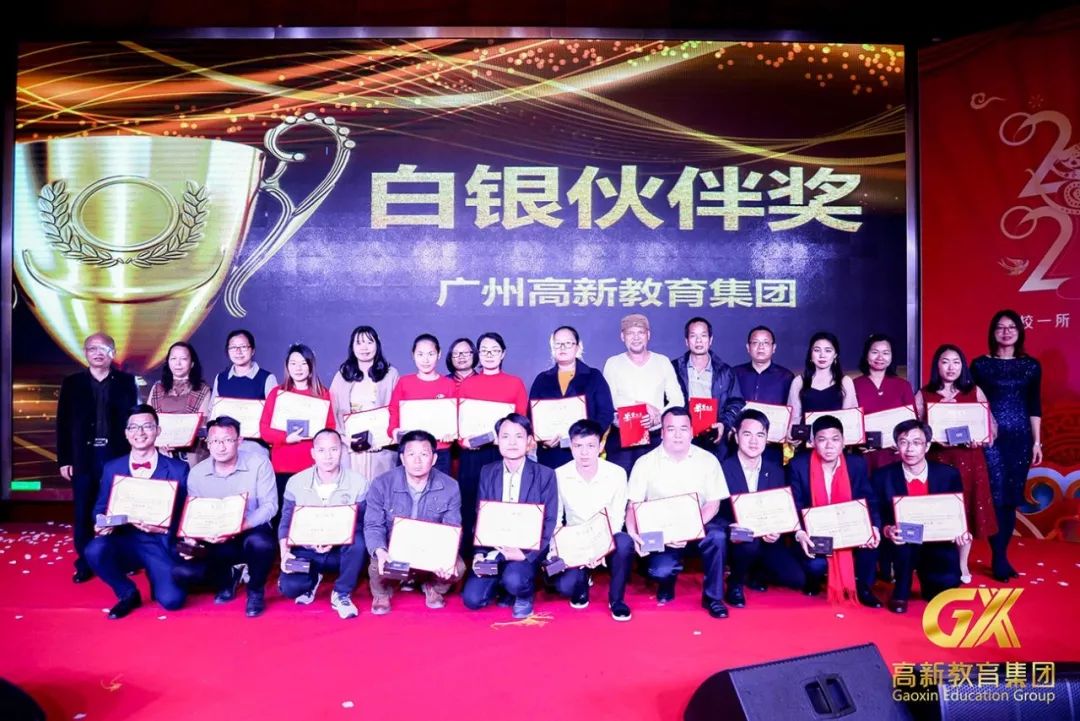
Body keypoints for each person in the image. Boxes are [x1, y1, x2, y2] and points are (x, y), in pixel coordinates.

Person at [84, 405, 189, 619]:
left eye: (147, 426)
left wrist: (163, 527)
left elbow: (186, 515)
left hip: (158, 542)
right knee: (95, 550)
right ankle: (127, 592)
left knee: (172, 601)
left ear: (158, 431)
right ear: (126, 433)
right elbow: (100, 508)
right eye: (133, 427)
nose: (140, 432)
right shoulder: (112, 467)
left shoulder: (178, 469)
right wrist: (102, 523)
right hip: (125, 540)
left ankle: (156, 574)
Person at [626, 407, 731, 619]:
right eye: (671, 429)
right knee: (659, 571)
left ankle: (713, 598)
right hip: (661, 532)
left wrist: (687, 529)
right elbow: (632, 506)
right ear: (662, 432)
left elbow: (714, 503)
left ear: (691, 431)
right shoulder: (645, 463)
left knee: (718, 537)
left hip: (698, 525)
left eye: (683, 429)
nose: (677, 435)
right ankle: (667, 583)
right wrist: (632, 533)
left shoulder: (708, 460)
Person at [172, 417, 277, 617]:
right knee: (182, 573)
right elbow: (195, 512)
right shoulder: (197, 473)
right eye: (215, 441)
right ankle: (227, 578)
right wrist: (195, 537)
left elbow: (270, 506)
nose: (221, 447)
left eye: (228, 440)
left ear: (239, 441)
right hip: (214, 534)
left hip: (249, 529)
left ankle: (255, 590)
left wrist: (240, 526)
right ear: (207, 443)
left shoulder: (259, 463)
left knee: (262, 544)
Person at [56, 332, 140, 583]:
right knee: (83, 511)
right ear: (85, 353)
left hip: (117, 455)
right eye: (92, 348)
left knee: (119, 508)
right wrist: (65, 459)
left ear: (113, 353)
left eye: (104, 348)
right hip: (84, 457)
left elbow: (133, 419)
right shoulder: (72, 383)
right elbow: (63, 423)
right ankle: (85, 562)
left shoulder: (126, 382)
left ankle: (122, 559)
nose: (98, 353)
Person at [462, 414, 558, 619]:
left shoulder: (545, 474)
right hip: (494, 548)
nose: (512, 442)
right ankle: (503, 586)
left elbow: (550, 522)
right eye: (505, 436)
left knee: (515, 579)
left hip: (525, 550)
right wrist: (479, 552)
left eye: (519, 436)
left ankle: (524, 593)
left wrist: (526, 555)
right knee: (472, 599)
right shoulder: (487, 472)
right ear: (497, 440)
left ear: (529, 441)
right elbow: (481, 515)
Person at [971, 309, 1043, 582]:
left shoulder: (1031, 366)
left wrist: (1037, 442)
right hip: (990, 439)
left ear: (1019, 331)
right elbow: (973, 402)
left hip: (1020, 439)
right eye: (1000, 327)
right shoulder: (980, 365)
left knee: (1010, 498)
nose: (1006, 332)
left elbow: (1034, 405)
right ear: (992, 332)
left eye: (1011, 327)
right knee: (996, 496)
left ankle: (1001, 556)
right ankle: (999, 558)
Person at [915, 344, 998, 583]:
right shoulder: (924, 394)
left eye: (956, 362)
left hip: (970, 461)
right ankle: (935, 561)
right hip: (939, 462)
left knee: (967, 511)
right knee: (939, 510)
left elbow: (990, 429)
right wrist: (932, 438)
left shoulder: (974, 391)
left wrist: (981, 438)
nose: (951, 367)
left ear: (963, 366)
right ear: (937, 365)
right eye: (945, 362)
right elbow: (915, 430)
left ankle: (962, 563)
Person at [364, 430, 466, 615]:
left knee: (457, 568)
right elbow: (373, 525)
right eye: (411, 454)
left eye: (424, 454)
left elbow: (452, 527)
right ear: (402, 458)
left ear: (434, 459)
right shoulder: (381, 484)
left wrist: (444, 556)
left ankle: (432, 586)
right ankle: (382, 593)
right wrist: (380, 550)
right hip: (393, 549)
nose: (417, 461)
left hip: (430, 549)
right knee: (376, 563)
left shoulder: (450, 486)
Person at [788, 415, 882, 607]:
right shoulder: (799, 465)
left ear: (843, 442)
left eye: (835, 439)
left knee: (871, 541)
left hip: (849, 529)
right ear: (813, 442)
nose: (829, 446)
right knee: (815, 565)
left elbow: (869, 499)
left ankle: (863, 588)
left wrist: (874, 527)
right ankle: (813, 579)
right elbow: (794, 503)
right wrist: (800, 533)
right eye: (822, 439)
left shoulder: (856, 464)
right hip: (815, 533)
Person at [875, 420, 968, 614]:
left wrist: (959, 532)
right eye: (903, 442)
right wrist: (887, 529)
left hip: (937, 540)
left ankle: (931, 579)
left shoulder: (948, 475)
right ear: (896, 446)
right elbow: (876, 513)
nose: (910, 449)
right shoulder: (882, 477)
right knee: (903, 545)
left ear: (927, 446)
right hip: (901, 543)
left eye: (916, 443)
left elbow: (957, 512)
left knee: (946, 585)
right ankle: (902, 587)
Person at [278, 429, 370, 619]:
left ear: (341, 450)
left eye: (333, 450)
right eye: (321, 450)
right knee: (290, 588)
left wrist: (335, 538)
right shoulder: (295, 482)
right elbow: (286, 521)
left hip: (340, 551)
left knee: (359, 542)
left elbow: (362, 523)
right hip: (306, 548)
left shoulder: (358, 482)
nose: (328, 456)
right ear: (313, 453)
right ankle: (312, 579)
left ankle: (342, 592)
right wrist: (284, 552)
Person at [719, 409, 806, 607]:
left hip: (767, 539)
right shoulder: (722, 468)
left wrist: (777, 529)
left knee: (797, 579)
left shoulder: (776, 471)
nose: (754, 441)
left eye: (760, 435)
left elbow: (782, 509)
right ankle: (735, 583)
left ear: (766, 438)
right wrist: (730, 527)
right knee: (748, 542)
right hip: (736, 539)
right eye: (747, 434)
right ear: (736, 436)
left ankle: (755, 573)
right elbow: (714, 512)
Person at [551, 419, 633, 621]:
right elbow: (556, 519)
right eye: (578, 446)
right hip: (575, 539)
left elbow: (617, 516)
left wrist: (602, 547)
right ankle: (582, 581)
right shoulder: (559, 475)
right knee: (564, 586)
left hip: (606, 536)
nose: (584, 453)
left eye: (590, 446)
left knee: (624, 542)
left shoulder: (617, 474)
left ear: (601, 445)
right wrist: (560, 549)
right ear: (571, 446)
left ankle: (617, 599)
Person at [456, 332, 529, 555]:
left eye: (495, 350)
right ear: (478, 354)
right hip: (472, 454)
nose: (489, 355)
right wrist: (463, 441)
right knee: (470, 505)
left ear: (503, 353)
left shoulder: (515, 383)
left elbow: (521, 421)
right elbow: (458, 422)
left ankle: (500, 554)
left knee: (499, 504)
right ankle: (471, 558)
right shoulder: (467, 384)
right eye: (484, 350)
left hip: (502, 455)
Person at [602, 314, 685, 474]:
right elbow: (610, 399)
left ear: (648, 335)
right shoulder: (613, 363)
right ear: (622, 336)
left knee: (657, 482)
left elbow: (678, 399)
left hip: (655, 435)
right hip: (623, 436)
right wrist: (642, 406)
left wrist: (659, 417)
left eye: (640, 332)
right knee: (622, 481)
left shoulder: (662, 361)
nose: (636, 338)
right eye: (630, 333)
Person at [259, 343, 335, 511]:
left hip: (313, 465)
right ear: (287, 366)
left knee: (311, 514)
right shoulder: (277, 393)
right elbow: (264, 429)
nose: (298, 368)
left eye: (303, 363)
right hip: (283, 464)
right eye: (293, 363)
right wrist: (286, 438)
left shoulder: (323, 394)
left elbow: (330, 428)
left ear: (311, 366)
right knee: (284, 514)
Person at [528, 325, 614, 469]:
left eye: (568, 343)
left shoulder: (594, 376)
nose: (562, 347)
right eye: (558, 344)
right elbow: (531, 415)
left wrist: (588, 438)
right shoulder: (542, 380)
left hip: (584, 454)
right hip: (551, 453)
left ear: (578, 347)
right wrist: (542, 439)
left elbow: (606, 413)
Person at [329, 325, 400, 481]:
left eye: (369, 342)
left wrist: (383, 438)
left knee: (381, 489)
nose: (364, 347)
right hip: (350, 448)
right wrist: (344, 439)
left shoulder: (390, 374)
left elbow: (397, 410)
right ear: (352, 347)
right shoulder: (342, 375)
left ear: (377, 345)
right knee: (354, 489)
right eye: (359, 343)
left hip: (381, 448)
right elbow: (332, 412)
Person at [671, 317, 745, 461]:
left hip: (714, 438)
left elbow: (736, 402)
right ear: (686, 341)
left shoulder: (726, 371)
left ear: (710, 340)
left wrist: (724, 424)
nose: (699, 341)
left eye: (703, 336)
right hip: (682, 437)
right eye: (693, 336)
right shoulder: (673, 368)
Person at [388, 334, 458, 476]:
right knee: (404, 488)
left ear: (439, 354)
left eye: (431, 354)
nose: (425, 360)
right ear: (413, 355)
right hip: (410, 449)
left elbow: (456, 416)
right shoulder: (404, 382)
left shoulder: (448, 384)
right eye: (420, 354)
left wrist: (452, 433)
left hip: (440, 449)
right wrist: (393, 431)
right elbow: (394, 410)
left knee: (440, 488)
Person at [209, 329, 278, 457]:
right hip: (224, 442)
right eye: (233, 347)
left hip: (254, 443)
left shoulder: (267, 378)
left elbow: (275, 415)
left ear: (253, 351)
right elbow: (212, 413)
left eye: (243, 347)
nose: (238, 351)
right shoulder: (221, 378)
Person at [853, 333, 916, 471]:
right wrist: (857, 442)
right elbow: (850, 423)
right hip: (865, 456)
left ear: (892, 357)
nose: (880, 357)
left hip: (895, 455)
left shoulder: (903, 385)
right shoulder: (854, 385)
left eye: (886, 353)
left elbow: (912, 423)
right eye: (875, 352)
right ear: (866, 355)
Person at [733, 325, 795, 467]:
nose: (760, 347)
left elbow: (792, 410)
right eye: (755, 342)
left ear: (774, 348)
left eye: (766, 343)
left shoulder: (786, 377)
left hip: (772, 446)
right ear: (748, 347)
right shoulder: (735, 373)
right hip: (739, 445)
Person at [147, 341, 212, 467]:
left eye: (183, 359)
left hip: (190, 454)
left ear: (192, 363)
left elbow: (202, 424)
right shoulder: (157, 387)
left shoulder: (202, 390)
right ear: (168, 362)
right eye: (173, 358)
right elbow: (148, 419)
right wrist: (161, 442)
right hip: (160, 450)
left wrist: (176, 441)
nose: (178, 363)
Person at [787, 331, 857, 438]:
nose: (822, 355)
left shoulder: (845, 382)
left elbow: (850, 419)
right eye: (817, 350)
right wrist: (792, 435)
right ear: (810, 354)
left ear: (835, 355)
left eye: (828, 350)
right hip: (806, 441)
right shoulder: (799, 381)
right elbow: (794, 418)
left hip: (835, 443)